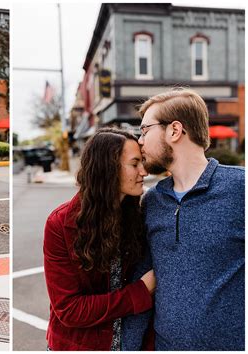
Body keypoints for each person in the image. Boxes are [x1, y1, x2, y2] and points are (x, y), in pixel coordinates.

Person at [122, 88, 245, 350]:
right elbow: (142, 284)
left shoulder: (240, 189)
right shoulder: (151, 201)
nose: (140, 141)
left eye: (145, 130)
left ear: (174, 130)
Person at [43, 128, 156, 351]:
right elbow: (69, 309)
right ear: (108, 169)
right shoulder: (60, 224)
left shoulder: (139, 215)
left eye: (142, 162)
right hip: (78, 345)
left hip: (130, 343)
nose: (144, 172)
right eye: (135, 164)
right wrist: (140, 292)